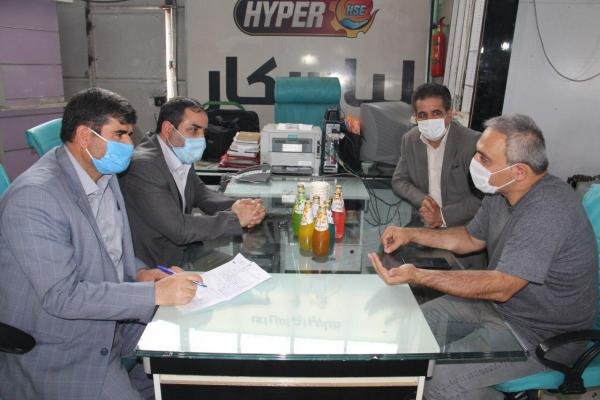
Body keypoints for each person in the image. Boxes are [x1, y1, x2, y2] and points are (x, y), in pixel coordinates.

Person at [369, 114, 598, 399]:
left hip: (541, 336)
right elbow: (469, 238)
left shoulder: (547, 211)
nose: (474, 162)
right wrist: (410, 234)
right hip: (498, 309)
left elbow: (502, 286)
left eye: (484, 158)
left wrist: (418, 275)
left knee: (431, 378)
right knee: (409, 327)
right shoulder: (500, 193)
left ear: (519, 172)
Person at [0, 87, 202, 400]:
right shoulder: (36, 197)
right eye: (119, 134)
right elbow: (61, 297)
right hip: (64, 345)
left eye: (130, 134)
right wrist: (154, 293)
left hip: (112, 319)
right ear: (84, 136)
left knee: (187, 366)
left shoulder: (104, 176)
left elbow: (111, 252)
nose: (129, 145)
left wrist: (142, 273)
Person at [119, 97, 266, 267]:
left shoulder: (178, 151)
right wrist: (235, 219)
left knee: (249, 269)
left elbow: (200, 192)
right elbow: (179, 229)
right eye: (194, 130)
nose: (201, 138)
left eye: (203, 131)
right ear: (168, 129)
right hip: (158, 265)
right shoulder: (144, 166)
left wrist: (238, 206)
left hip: (185, 252)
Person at [392, 83, 481, 228]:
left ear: (449, 114)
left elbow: (482, 197)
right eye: (423, 115)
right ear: (416, 118)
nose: (430, 120)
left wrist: (442, 216)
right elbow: (399, 181)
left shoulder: (472, 143)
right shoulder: (410, 140)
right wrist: (423, 200)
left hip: (463, 228)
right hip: (425, 224)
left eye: (436, 113)